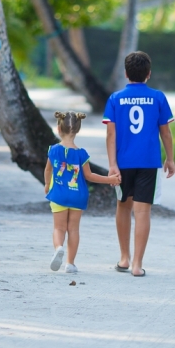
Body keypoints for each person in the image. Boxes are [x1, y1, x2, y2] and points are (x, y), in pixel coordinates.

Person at [103, 51, 175, 277]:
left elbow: (110, 135)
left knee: (123, 207)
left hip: (123, 163)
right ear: (149, 74)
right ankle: (137, 265)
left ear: (126, 74)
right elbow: (166, 132)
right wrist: (170, 158)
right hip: (148, 162)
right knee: (143, 212)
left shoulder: (115, 98)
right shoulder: (158, 97)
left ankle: (123, 258)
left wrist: (112, 164)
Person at [44, 111, 121, 273]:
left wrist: (46, 185)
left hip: (58, 194)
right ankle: (70, 263)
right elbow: (89, 176)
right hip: (77, 195)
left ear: (59, 128)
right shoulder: (82, 154)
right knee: (73, 229)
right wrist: (110, 180)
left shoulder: (53, 151)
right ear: (77, 130)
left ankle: (58, 247)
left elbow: (48, 170)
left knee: (59, 228)